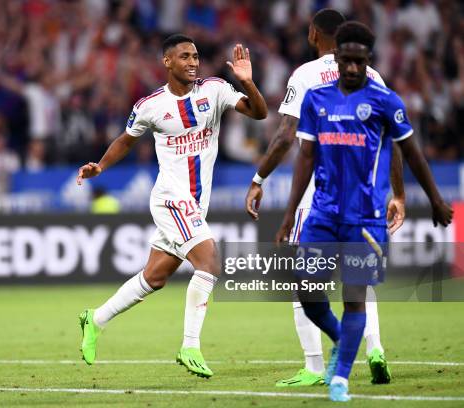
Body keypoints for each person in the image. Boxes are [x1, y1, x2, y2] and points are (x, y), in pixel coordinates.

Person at [274, 21, 453, 402]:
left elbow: (410, 152)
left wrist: (431, 198)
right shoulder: (316, 98)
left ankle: (339, 376)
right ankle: (344, 339)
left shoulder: (386, 100)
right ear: (336, 57)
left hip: (365, 218)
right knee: (306, 289)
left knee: (354, 296)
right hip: (321, 213)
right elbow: (305, 156)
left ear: (368, 59)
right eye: (347, 61)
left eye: (360, 61)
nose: (353, 68)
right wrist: (290, 213)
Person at [77, 34, 267, 378]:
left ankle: (95, 319)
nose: (193, 62)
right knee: (209, 261)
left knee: (155, 276)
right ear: (167, 62)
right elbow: (126, 140)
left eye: (196, 56)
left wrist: (248, 83)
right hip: (170, 198)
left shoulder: (215, 90)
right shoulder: (150, 105)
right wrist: (100, 167)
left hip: (195, 204)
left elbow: (259, 112)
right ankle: (190, 345)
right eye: (184, 56)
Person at [244, 9, 405, 387]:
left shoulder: (307, 75)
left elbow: (286, 136)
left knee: (304, 280)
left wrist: (258, 178)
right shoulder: (373, 75)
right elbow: (394, 140)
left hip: (321, 192)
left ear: (315, 33)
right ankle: (376, 348)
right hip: (364, 194)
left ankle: (316, 365)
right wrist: (397, 192)